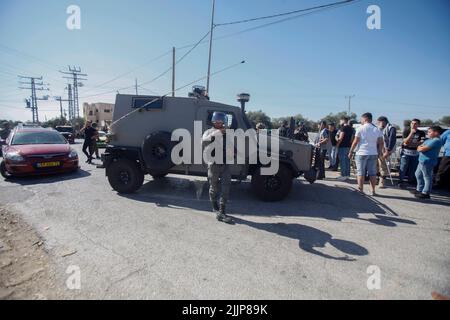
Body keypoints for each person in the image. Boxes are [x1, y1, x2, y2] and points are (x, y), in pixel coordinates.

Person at [202, 112, 233, 224]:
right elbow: (204, 141)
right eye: (217, 120)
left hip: (225, 164)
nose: (219, 122)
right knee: (213, 186)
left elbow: (231, 146)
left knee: (226, 187)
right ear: (213, 121)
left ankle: (222, 210)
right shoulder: (209, 132)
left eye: (221, 120)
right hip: (213, 164)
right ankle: (215, 207)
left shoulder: (227, 133)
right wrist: (217, 133)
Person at [348, 113, 384, 195]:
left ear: (365, 119)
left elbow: (355, 141)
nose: (361, 121)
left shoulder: (360, 128)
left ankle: (361, 190)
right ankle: (373, 190)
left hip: (361, 153)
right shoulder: (377, 129)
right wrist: (380, 152)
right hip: (373, 153)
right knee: (372, 173)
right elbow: (381, 142)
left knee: (360, 172)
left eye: (361, 119)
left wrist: (350, 151)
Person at [412, 126, 443, 199]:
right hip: (422, 160)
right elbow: (419, 147)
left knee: (427, 177)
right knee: (418, 174)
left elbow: (423, 149)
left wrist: (421, 148)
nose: (428, 133)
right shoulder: (429, 140)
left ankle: (426, 192)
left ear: (436, 133)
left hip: (428, 161)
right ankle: (419, 189)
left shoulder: (436, 140)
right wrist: (421, 148)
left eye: (429, 132)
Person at [399, 119, 426, 188]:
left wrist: (411, 144)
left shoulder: (421, 133)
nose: (413, 125)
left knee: (413, 168)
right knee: (403, 167)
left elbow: (421, 142)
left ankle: (410, 180)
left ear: (418, 125)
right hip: (405, 153)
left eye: (415, 123)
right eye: (412, 123)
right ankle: (401, 181)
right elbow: (405, 141)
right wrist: (411, 133)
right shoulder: (406, 131)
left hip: (415, 153)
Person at [377, 116, 397, 188]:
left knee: (383, 166)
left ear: (383, 121)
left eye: (379, 122)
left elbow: (392, 139)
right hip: (379, 149)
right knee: (378, 165)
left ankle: (382, 181)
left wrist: (388, 151)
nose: (378, 124)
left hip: (386, 149)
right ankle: (377, 179)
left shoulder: (391, 128)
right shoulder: (380, 129)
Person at [336, 116, 353, 181]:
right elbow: (352, 139)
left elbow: (341, 138)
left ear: (343, 120)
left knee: (342, 161)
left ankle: (343, 175)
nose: (340, 122)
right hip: (348, 146)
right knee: (347, 161)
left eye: (340, 121)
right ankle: (347, 175)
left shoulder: (343, 128)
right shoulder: (351, 128)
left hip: (342, 146)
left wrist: (337, 144)